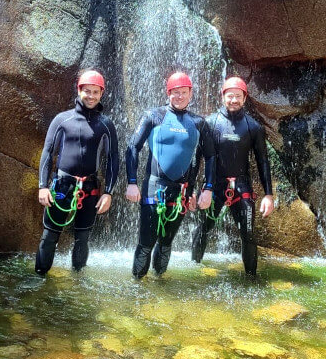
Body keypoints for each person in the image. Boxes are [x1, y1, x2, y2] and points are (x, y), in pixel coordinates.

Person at [125, 72, 215, 279]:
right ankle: (137, 286)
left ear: (190, 93)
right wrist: (132, 182)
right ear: (168, 93)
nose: (179, 96)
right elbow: (132, 147)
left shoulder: (199, 123)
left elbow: (210, 157)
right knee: (146, 242)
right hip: (153, 187)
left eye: (183, 92)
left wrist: (206, 189)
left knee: (166, 243)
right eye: (175, 93)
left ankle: (160, 285)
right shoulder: (153, 116)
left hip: (181, 192)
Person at [35, 70, 119, 276]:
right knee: (49, 236)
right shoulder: (62, 120)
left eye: (95, 92)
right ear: (79, 90)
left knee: (82, 238)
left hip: (89, 188)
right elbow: (47, 153)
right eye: (87, 91)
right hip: (62, 186)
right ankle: (40, 278)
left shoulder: (106, 125)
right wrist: (43, 186)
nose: (91, 96)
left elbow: (113, 159)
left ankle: (77, 280)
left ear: (101, 93)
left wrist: (108, 192)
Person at [191, 76, 274, 276]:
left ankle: (251, 279)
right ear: (223, 96)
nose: (234, 100)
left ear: (244, 99)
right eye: (230, 96)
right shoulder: (209, 123)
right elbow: (197, 158)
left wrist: (269, 195)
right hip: (214, 186)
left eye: (238, 96)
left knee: (248, 234)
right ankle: (193, 270)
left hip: (242, 186)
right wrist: (192, 189)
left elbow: (263, 161)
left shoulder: (253, 127)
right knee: (204, 228)